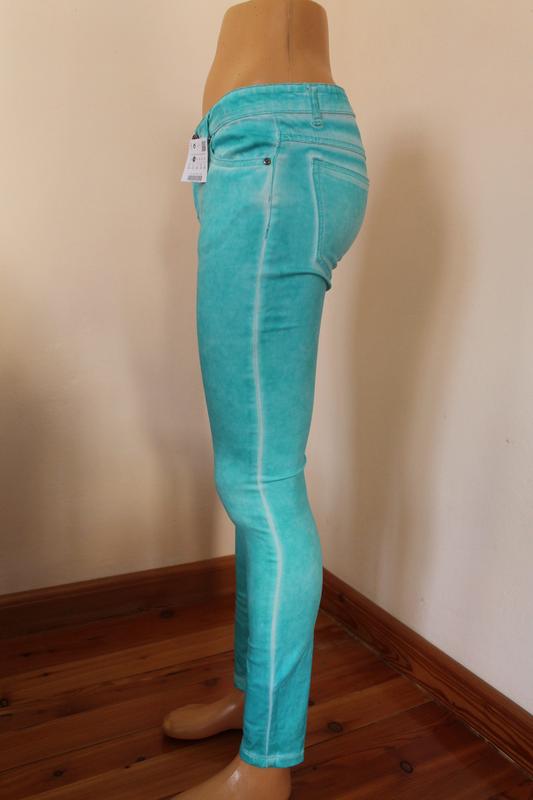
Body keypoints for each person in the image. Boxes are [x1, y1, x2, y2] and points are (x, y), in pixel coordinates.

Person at [167, 1, 369, 797]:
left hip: (264, 156)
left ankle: (266, 763)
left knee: (260, 484)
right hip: (292, 149)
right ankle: (254, 701)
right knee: (256, 477)